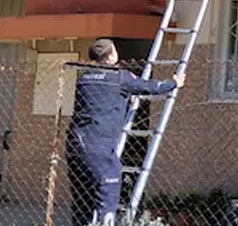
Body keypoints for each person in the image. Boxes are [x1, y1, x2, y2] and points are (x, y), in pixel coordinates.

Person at [67, 39, 184, 226]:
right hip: (99, 141)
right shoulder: (120, 78)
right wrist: (173, 83)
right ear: (111, 56)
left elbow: (102, 98)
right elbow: (150, 87)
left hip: (75, 141)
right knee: (109, 185)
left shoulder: (84, 78)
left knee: (83, 195)